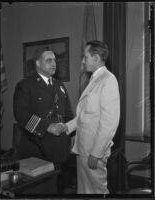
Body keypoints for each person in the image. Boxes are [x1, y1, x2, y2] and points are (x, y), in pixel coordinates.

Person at [59, 40, 120, 194]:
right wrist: (67, 127)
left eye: (85, 57)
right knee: (85, 191)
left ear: (96, 58)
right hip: (84, 148)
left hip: (93, 151)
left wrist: (96, 153)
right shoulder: (95, 79)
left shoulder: (108, 79)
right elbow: (85, 115)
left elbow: (109, 123)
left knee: (97, 191)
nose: (83, 61)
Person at [13, 46, 73, 192]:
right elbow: (21, 115)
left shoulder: (60, 85)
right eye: (48, 60)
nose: (54, 64)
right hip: (38, 147)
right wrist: (47, 127)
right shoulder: (26, 85)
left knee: (59, 188)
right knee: (41, 190)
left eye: (54, 60)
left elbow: (68, 113)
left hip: (60, 149)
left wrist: (70, 130)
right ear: (38, 63)